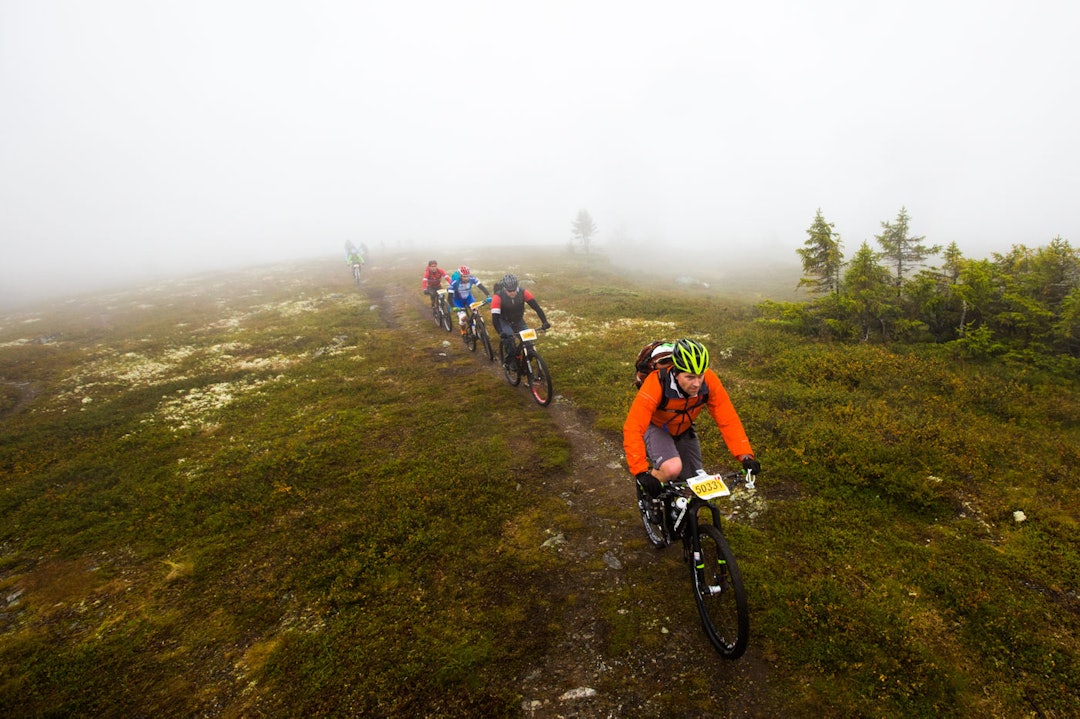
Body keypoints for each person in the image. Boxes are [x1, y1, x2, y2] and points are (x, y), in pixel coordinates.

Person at [623, 338, 760, 501]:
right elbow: (633, 427)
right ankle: (650, 498)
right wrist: (641, 472)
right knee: (672, 468)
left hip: (683, 428)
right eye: (689, 377)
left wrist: (745, 456)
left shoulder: (708, 380)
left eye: (700, 376)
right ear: (676, 373)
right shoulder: (656, 382)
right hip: (656, 427)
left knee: (696, 484)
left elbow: (727, 418)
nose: (696, 384)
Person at [491, 273, 550, 369]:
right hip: (504, 321)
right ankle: (509, 361)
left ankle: (526, 364)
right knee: (509, 339)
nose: (512, 293)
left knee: (529, 343)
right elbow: (495, 318)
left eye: (514, 290)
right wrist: (500, 332)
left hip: (518, 320)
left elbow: (537, 308)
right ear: (505, 289)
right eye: (509, 291)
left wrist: (545, 322)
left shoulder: (524, 293)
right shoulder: (498, 297)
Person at [447, 265, 490, 340]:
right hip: (457, 300)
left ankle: (483, 330)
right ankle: (463, 331)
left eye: (467, 276)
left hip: (468, 298)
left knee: (476, 311)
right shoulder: (455, 282)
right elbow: (449, 298)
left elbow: (481, 287)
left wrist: (488, 295)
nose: (466, 278)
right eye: (464, 276)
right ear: (460, 276)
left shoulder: (472, 278)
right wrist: (454, 307)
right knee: (463, 318)